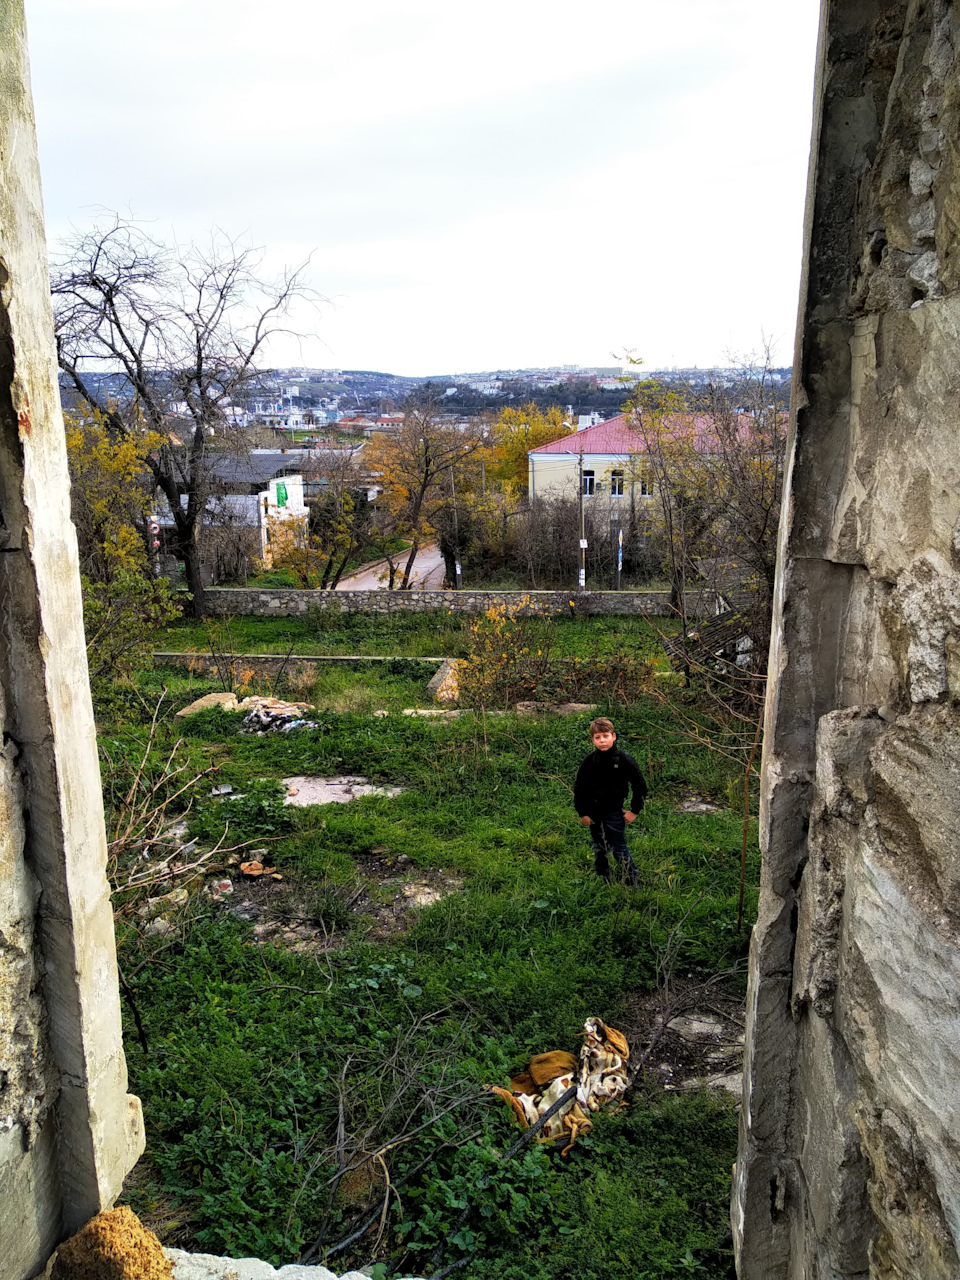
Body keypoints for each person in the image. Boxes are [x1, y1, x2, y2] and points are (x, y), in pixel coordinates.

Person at [574, 717, 647, 884]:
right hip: (593, 813)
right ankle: (603, 878)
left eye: (605, 736)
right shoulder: (589, 761)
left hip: (614, 812)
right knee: (600, 847)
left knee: (619, 848)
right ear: (592, 740)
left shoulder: (624, 759)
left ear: (613, 737)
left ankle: (633, 881)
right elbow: (580, 788)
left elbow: (639, 786)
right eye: (598, 738)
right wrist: (583, 812)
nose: (602, 741)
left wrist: (635, 810)